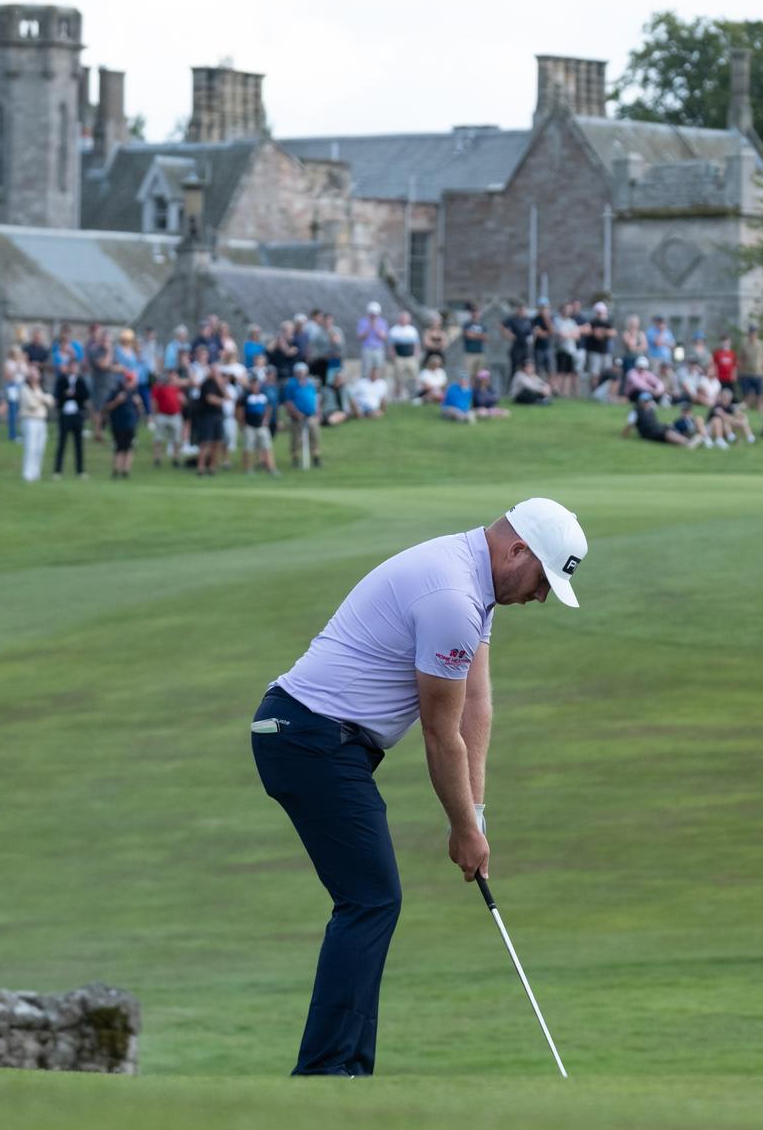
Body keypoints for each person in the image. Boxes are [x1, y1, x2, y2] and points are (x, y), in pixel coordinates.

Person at [253, 499, 584, 1076]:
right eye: (542, 581)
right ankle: (329, 1074)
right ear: (517, 551)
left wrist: (476, 814)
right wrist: (461, 831)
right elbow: (439, 732)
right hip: (306, 736)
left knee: (370, 898)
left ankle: (342, 1069)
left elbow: (475, 705)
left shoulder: (472, 583)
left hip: (326, 741)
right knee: (371, 898)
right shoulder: (452, 598)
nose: (540, 597)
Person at [53, 359, 91, 479]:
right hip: (65, 414)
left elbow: (85, 395)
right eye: (72, 366)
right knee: (62, 443)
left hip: (77, 414)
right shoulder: (62, 380)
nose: (74, 369)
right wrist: (66, 394)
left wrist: (74, 394)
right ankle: (57, 470)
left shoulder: (80, 381)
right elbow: (58, 395)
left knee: (78, 444)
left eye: (75, 367)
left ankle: (80, 470)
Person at [105, 368, 145, 479]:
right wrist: (117, 401)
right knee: (118, 447)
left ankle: (126, 470)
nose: (129, 383)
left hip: (130, 423)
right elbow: (107, 407)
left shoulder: (134, 393)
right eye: (128, 380)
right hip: (118, 423)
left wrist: (139, 404)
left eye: (131, 380)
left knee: (129, 447)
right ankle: (116, 470)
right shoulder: (116, 391)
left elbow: (141, 410)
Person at [16, 365, 50, 482]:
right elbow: (31, 404)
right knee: (30, 447)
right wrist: (42, 399)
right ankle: (27, 473)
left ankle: (36, 472)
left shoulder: (41, 388)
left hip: (41, 420)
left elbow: (50, 400)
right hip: (30, 420)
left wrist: (39, 398)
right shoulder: (24, 388)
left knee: (40, 448)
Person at [285, 362, 322, 468]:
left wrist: (317, 411)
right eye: (299, 372)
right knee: (296, 438)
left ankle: (316, 457)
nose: (301, 374)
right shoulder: (291, 384)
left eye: (303, 371)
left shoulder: (310, 383)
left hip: (311, 415)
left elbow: (315, 398)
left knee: (315, 436)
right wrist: (296, 413)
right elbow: (288, 401)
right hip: (297, 417)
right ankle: (295, 458)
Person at [193, 364, 227, 477]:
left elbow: (228, 396)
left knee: (216, 442)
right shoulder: (206, 384)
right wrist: (221, 401)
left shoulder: (219, 384)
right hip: (207, 416)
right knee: (205, 442)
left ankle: (212, 466)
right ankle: (201, 467)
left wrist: (220, 384)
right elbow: (210, 399)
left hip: (218, 415)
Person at [387, 311, 420, 400]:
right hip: (399, 357)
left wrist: (416, 354)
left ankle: (413, 394)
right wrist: (393, 356)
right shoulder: (394, 330)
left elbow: (416, 344)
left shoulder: (412, 330)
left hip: (410, 357)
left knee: (413, 376)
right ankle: (399, 395)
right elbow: (391, 345)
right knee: (399, 377)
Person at [501, 302, 534, 388]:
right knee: (514, 368)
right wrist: (508, 335)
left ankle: (525, 386)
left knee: (527, 368)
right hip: (516, 347)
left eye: (523, 309)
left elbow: (532, 331)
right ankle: (511, 388)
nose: (522, 311)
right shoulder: (512, 319)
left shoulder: (528, 320)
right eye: (520, 309)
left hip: (525, 348)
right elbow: (502, 326)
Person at [357, 301, 389, 378]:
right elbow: (360, 337)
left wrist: (376, 327)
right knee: (366, 370)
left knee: (379, 369)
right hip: (367, 348)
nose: (373, 316)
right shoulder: (363, 322)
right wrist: (369, 327)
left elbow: (384, 337)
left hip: (378, 349)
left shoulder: (382, 322)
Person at [2, 347, 26, 443]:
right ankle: (12, 434)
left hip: (22, 386)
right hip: (12, 387)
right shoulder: (8, 363)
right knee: (13, 411)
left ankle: (23, 432)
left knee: (22, 411)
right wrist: (16, 367)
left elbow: (26, 373)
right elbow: (8, 377)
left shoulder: (22, 362)